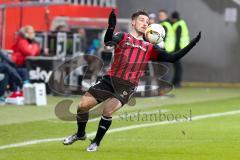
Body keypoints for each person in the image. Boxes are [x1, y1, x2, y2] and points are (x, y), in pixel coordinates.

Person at [63, 10, 201, 152]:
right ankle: (80, 134)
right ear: (133, 22)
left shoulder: (150, 47)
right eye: (142, 20)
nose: (145, 23)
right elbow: (108, 41)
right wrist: (111, 27)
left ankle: (96, 142)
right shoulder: (123, 37)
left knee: (107, 111)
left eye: (147, 22)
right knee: (82, 106)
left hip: (127, 85)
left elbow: (172, 58)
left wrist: (192, 44)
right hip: (109, 80)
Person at [171, 11, 190, 87]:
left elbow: (178, 38)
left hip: (178, 48)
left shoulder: (178, 24)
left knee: (177, 66)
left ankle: (177, 82)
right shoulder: (181, 23)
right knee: (177, 65)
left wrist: (176, 50)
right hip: (182, 47)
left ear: (174, 18)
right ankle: (175, 81)